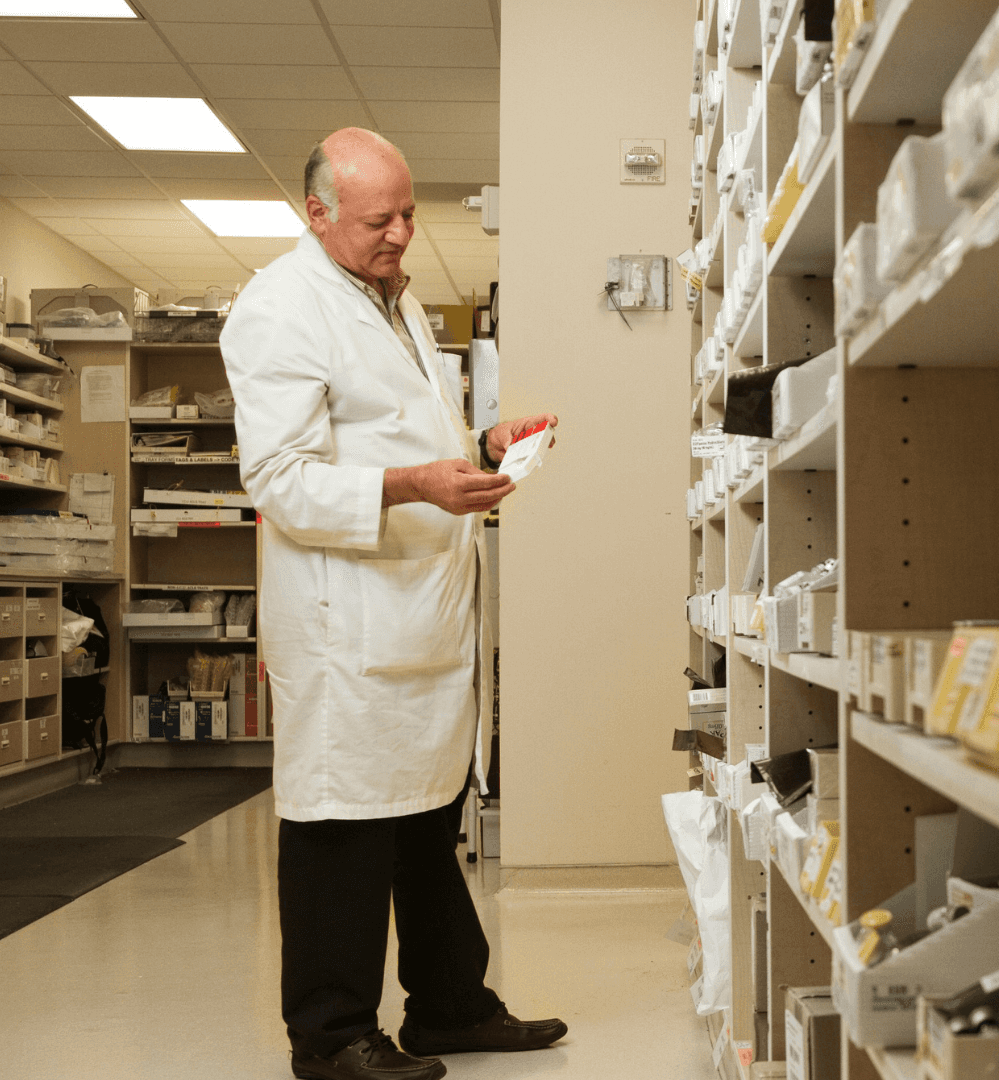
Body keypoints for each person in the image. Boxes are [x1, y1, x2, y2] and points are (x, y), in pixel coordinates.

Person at [222, 127, 563, 1080]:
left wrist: (486, 447)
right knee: (341, 830)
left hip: (417, 610)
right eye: (381, 218)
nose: (403, 233)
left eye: (410, 212)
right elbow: (282, 479)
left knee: (424, 820)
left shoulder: (387, 297)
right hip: (349, 622)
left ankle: (449, 1006)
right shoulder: (281, 307)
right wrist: (418, 485)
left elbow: (399, 431)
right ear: (317, 213)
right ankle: (330, 1037)